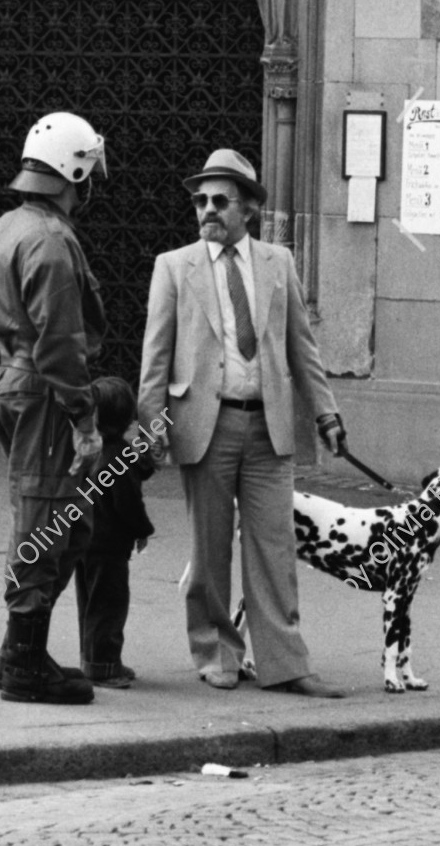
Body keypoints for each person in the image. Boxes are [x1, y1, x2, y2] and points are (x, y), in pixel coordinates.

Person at [138, 147, 347, 697]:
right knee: (209, 550)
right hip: (205, 424)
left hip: (268, 425)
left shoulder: (279, 264)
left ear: (249, 208)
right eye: (201, 200)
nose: (207, 209)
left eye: (220, 201)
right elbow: (154, 358)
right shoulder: (173, 267)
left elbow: (302, 347)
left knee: (274, 549)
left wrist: (325, 412)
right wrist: (152, 424)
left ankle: (285, 663)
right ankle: (216, 653)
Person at [0, 112, 109, 703]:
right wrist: (83, 420)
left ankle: (22, 650)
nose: (86, 194)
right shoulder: (51, 239)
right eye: (85, 179)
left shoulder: (4, 227)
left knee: (66, 519)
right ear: (71, 173)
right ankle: (23, 663)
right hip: (44, 392)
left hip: (11, 378)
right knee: (46, 518)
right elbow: (61, 342)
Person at [73, 376, 156, 690]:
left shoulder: (91, 449)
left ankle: (93, 660)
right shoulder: (120, 455)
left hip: (83, 539)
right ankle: (104, 666)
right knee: (110, 605)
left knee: (91, 603)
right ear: (128, 418)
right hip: (109, 545)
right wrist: (142, 530)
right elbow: (128, 502)